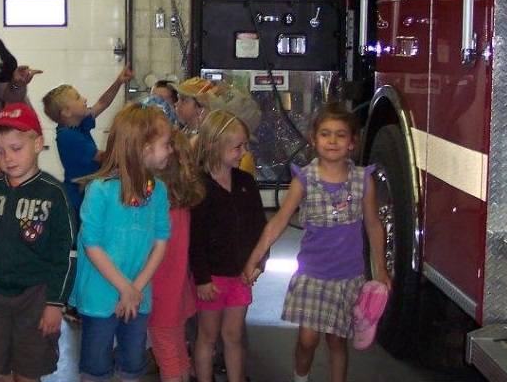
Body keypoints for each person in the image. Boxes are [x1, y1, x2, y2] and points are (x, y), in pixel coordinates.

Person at [242, 102, 391, 382]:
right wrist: (254, 259)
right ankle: (301, 377)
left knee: (337, 341)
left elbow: (373, 225)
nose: (332, 140)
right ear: (313, 139)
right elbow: (277, 222)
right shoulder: (304, 180)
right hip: (312, 276)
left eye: (340, 134)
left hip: (348, 278)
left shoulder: (363, 181)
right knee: (307, 340)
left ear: (352, 142)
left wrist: (382, 270)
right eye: (325, 134)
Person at [0, 103, 76, 382]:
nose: (7, 158)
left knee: (27, 373)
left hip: (35, 297)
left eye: (15, 148)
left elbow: (66, 254)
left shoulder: (54, 194)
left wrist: (55, 303)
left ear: (37, 144)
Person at [70, 103, 173, 382]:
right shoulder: (100, 191)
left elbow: (161, 240)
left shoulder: (158, 191)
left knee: (132, 364)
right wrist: (124, 287)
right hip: (101, 296)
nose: (171, 149)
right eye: (166, 144)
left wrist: (135, 288)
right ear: (143, 147)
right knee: (96, 368)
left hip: (138, 296)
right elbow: (91, 244)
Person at [189, 110, 268, 382]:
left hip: (241, 275)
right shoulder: (199, 187)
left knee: (234, 335)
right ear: (213, 145)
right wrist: (201, 279)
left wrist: (259, 263)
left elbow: (260, 228)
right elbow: (194, 239)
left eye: (245, 145)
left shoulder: (245, 182)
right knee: (207, 336)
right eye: (237, 147)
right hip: (212, 278)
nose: (243, 152)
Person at [143, 95, 204, 382]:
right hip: (178, 291)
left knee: (168, 358)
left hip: (160, 294)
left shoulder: (158, 205)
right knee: (179, 355)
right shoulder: (181, 204)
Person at [41, 64, 134, 212]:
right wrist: (132, 152)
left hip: (88, 188)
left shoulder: (77, 125)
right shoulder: (67, 137)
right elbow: (103, 157)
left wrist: (118, 82)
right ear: (66, 112)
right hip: (79, 197)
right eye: (78, 97)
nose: (84, 99)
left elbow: (102, 103)